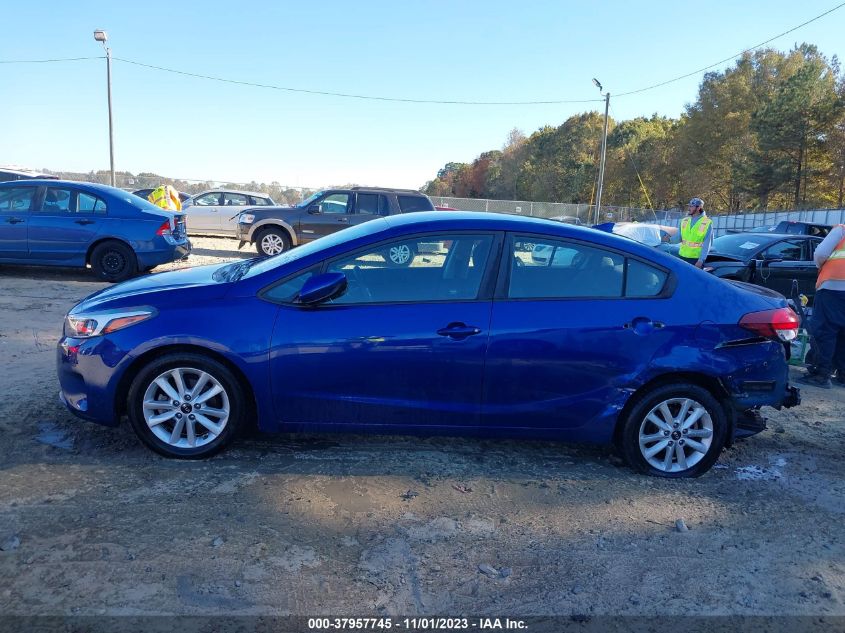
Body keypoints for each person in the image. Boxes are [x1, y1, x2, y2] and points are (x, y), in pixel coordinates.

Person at [799, 223, 845, 389]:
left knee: (825, 330)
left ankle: (821, 374)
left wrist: (822, 267)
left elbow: (820, 253)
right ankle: (842, 375)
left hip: (834, 286)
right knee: (843, 333)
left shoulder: (842, 229)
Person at [678, 197, 712, 268]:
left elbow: (707, 244)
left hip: (695, 260)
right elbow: (678, 237)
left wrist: (701, 260)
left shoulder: (707, 222)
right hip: (681, 256)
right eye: (689, 206)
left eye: (691, 206)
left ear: (698, 208)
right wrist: (667, 239)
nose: (689, 208)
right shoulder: (684, 220)